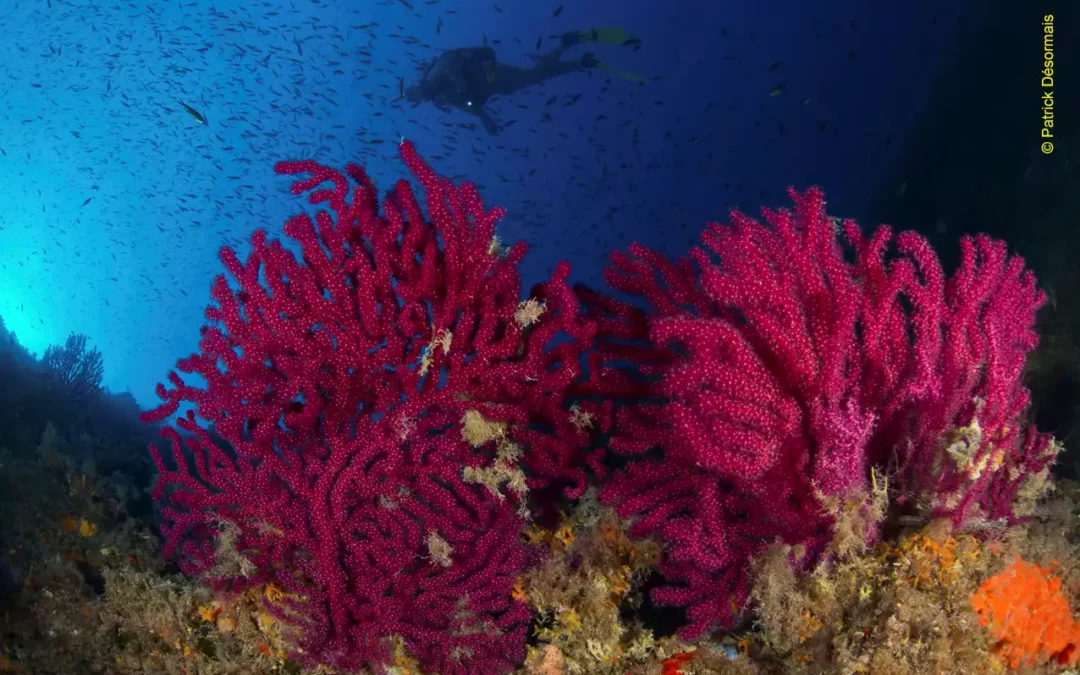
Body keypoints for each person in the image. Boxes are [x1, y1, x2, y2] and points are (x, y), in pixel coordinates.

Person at [405, 27, 645, 135]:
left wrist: (463, 87)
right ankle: (578, 59)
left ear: (417, 86)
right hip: (496, 86)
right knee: (536, 76)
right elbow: (470, 107)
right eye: (416, 100)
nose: (419, 97)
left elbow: (450, 62)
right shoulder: (441, 97)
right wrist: (486, 120)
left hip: (492, 75)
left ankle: (569, 47)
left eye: (414, 94)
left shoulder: (435, 75)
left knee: (534, 75)